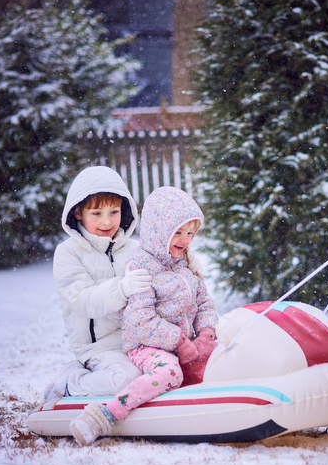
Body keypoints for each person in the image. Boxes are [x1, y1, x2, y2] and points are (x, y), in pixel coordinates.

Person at [69, 186, 218, 445]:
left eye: (191, 233)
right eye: (178, 233)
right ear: (160, 232)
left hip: (183, 345)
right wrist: (180, 342)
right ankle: (104, 415)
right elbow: (139, 321)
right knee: (169, 373)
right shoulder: (141, 267)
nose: (185, 239)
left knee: (217, 360)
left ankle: (210, 409)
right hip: (147, 346)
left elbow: (205, 303)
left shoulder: (185, 265)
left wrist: (205, 334)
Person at [43, 166, 153, 401]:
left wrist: (185, 262)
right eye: (97, 213)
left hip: (140, 340)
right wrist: (121, 288)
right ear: (78, 213)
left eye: (114, 212)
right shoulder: (69, 253)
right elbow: (82, 300)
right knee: (126, 379)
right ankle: (71, 384)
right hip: (100, 348)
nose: (107, 221)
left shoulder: (135, 249)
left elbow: (160, 275)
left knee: (166, 369)